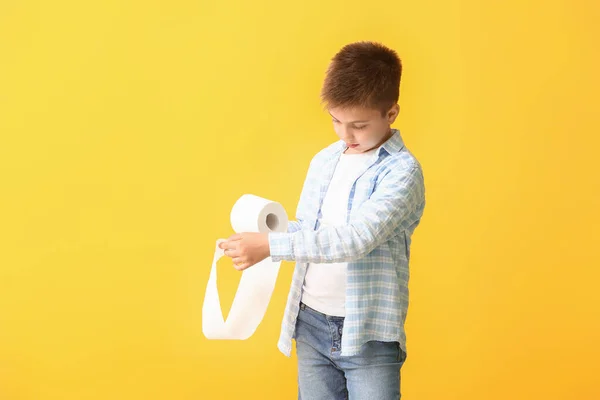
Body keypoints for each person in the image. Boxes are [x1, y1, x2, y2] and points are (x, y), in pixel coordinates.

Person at [219, 41, 426, 400]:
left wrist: (270, 245)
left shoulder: (402, 173)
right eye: (336, 121)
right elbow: (311, 230)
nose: (345, 135)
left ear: (391, 113)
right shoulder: (326, 161)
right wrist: (261, 239)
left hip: (368, 334)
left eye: (358, 125)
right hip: (311, 322)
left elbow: (355, 239)